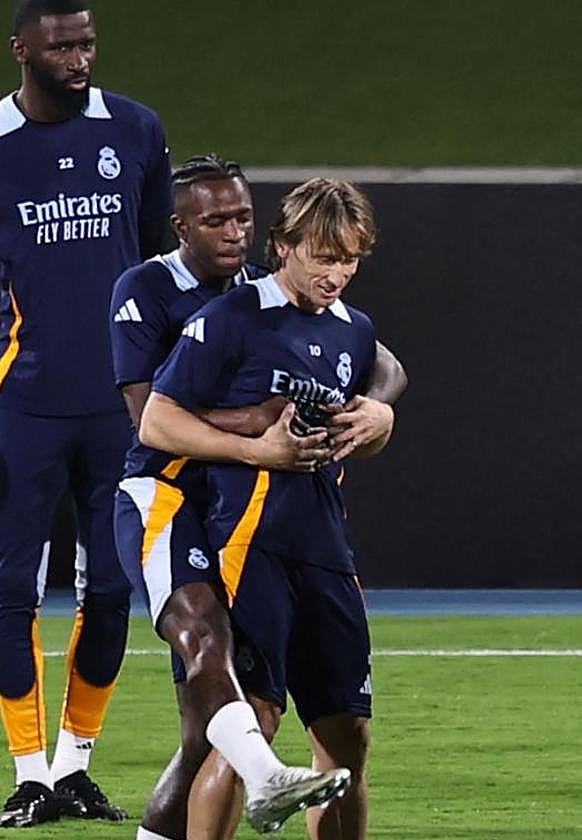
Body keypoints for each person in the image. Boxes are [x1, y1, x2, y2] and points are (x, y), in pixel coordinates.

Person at [0, 0, 172, 827]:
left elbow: (165, 271)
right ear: (21, 48)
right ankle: (27, 773)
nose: (79, 56)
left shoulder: (135, 131)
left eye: (88, 41)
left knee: (110, 593)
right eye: (62, 44)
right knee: (13, 591)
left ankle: (74, 767)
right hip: (24, 405)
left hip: (123, 409)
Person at [109, 157, 405, 839]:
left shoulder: (353, 329)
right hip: (248, 539)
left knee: (348, 734)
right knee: (251, 725)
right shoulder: (230, 318)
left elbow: (377, 392)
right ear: (286, 246)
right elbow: (155, 420)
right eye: (324, 258)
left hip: (326, 543)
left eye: (351, 261)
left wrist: (378, 421)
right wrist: (256, 447)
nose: (336, 275)